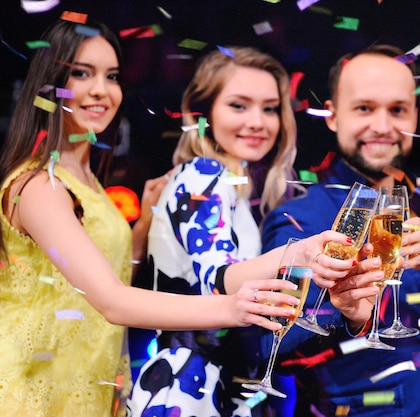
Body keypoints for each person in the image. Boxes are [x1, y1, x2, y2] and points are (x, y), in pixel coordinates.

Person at [0, 19, 356, 417]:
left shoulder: (92, 186)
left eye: (112, 76)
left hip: (93, 382)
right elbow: (114, 300)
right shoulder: (38, 186)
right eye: (81, 73)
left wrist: (143, 231)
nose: (100, 89)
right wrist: (293, 258)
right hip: (41, 385)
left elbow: (110, 274)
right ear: (49, 84)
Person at [261, 44, 420, 417]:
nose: (383, 126)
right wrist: (348, 316)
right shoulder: (301, 219)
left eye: (397, 110)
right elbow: (268, 346)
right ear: (332, 115)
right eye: (364, 108)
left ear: (415, 117)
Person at [125, 45, 308, 417]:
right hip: (189, 387)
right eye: (239, 105)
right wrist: (301, 255)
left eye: (270, 108)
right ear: (203, 113)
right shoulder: (202, 177)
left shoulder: (232, 184)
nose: (258, 121)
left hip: (221, 385)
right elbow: (221, 279)